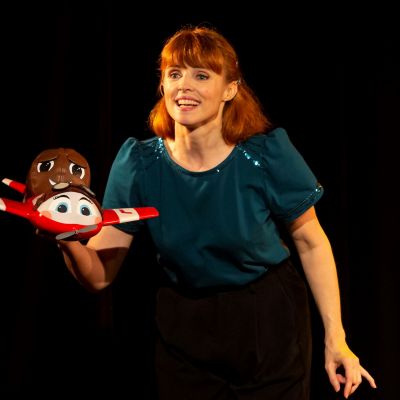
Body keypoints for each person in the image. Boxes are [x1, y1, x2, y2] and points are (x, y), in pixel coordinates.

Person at [56, 25, 376, 399]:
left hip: (266, 321)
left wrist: (336, 337)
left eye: (202, 75)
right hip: (185, 329)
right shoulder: (139, 163)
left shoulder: (264, 154)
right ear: (162, 85)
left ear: (230, 89)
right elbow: (99, 275)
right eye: (175, 74)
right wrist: (65, 236)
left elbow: (311, 242)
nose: (184, 86)